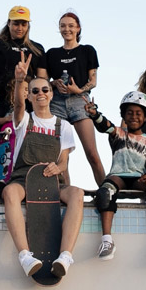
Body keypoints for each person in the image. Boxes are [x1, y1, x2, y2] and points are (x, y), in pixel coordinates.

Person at [2, 55, 84, 280]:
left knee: (77, 194)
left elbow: (64, 161)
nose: (41, 93)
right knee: (10, 192)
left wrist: (58, 168)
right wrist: (20, 80)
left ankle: (65, 256)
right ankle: (25, 256)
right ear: (29, 96)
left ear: (51, 94)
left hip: (52, 182)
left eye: (45, 90)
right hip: (23, 180)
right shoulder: (24, 120)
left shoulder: (63, 126)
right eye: (35, 91)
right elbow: (18, 106)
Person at [88, 91, 146, 263]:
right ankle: (107, 241)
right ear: (123, 115)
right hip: (119, 177)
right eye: (129, 113)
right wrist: (94, 114)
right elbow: (104, 125)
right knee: (105, 191)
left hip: (139, 179)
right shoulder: (118, 133)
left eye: (138, 113)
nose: (134, 116)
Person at [0, 5, 46, 197]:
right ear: (9, 23)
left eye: (23, 24)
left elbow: (42, 80)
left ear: (28, 25)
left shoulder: (37, 49)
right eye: (16, 23)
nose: (19, 28)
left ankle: (25, 190)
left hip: (27, 105)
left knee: (27, 148)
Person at [43, 10, 104, 186]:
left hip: (80, 101)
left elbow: (93, 81)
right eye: (63, 26)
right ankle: (65, 192)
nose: (67, 29)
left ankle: (106, 192)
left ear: (78, 28)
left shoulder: (87, 50)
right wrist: (54, 83)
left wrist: (78, 90)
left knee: (92, 153)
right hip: (57, 102)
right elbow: (43, 81)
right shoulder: (52, 53)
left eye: (71, 26)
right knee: (60, 156)